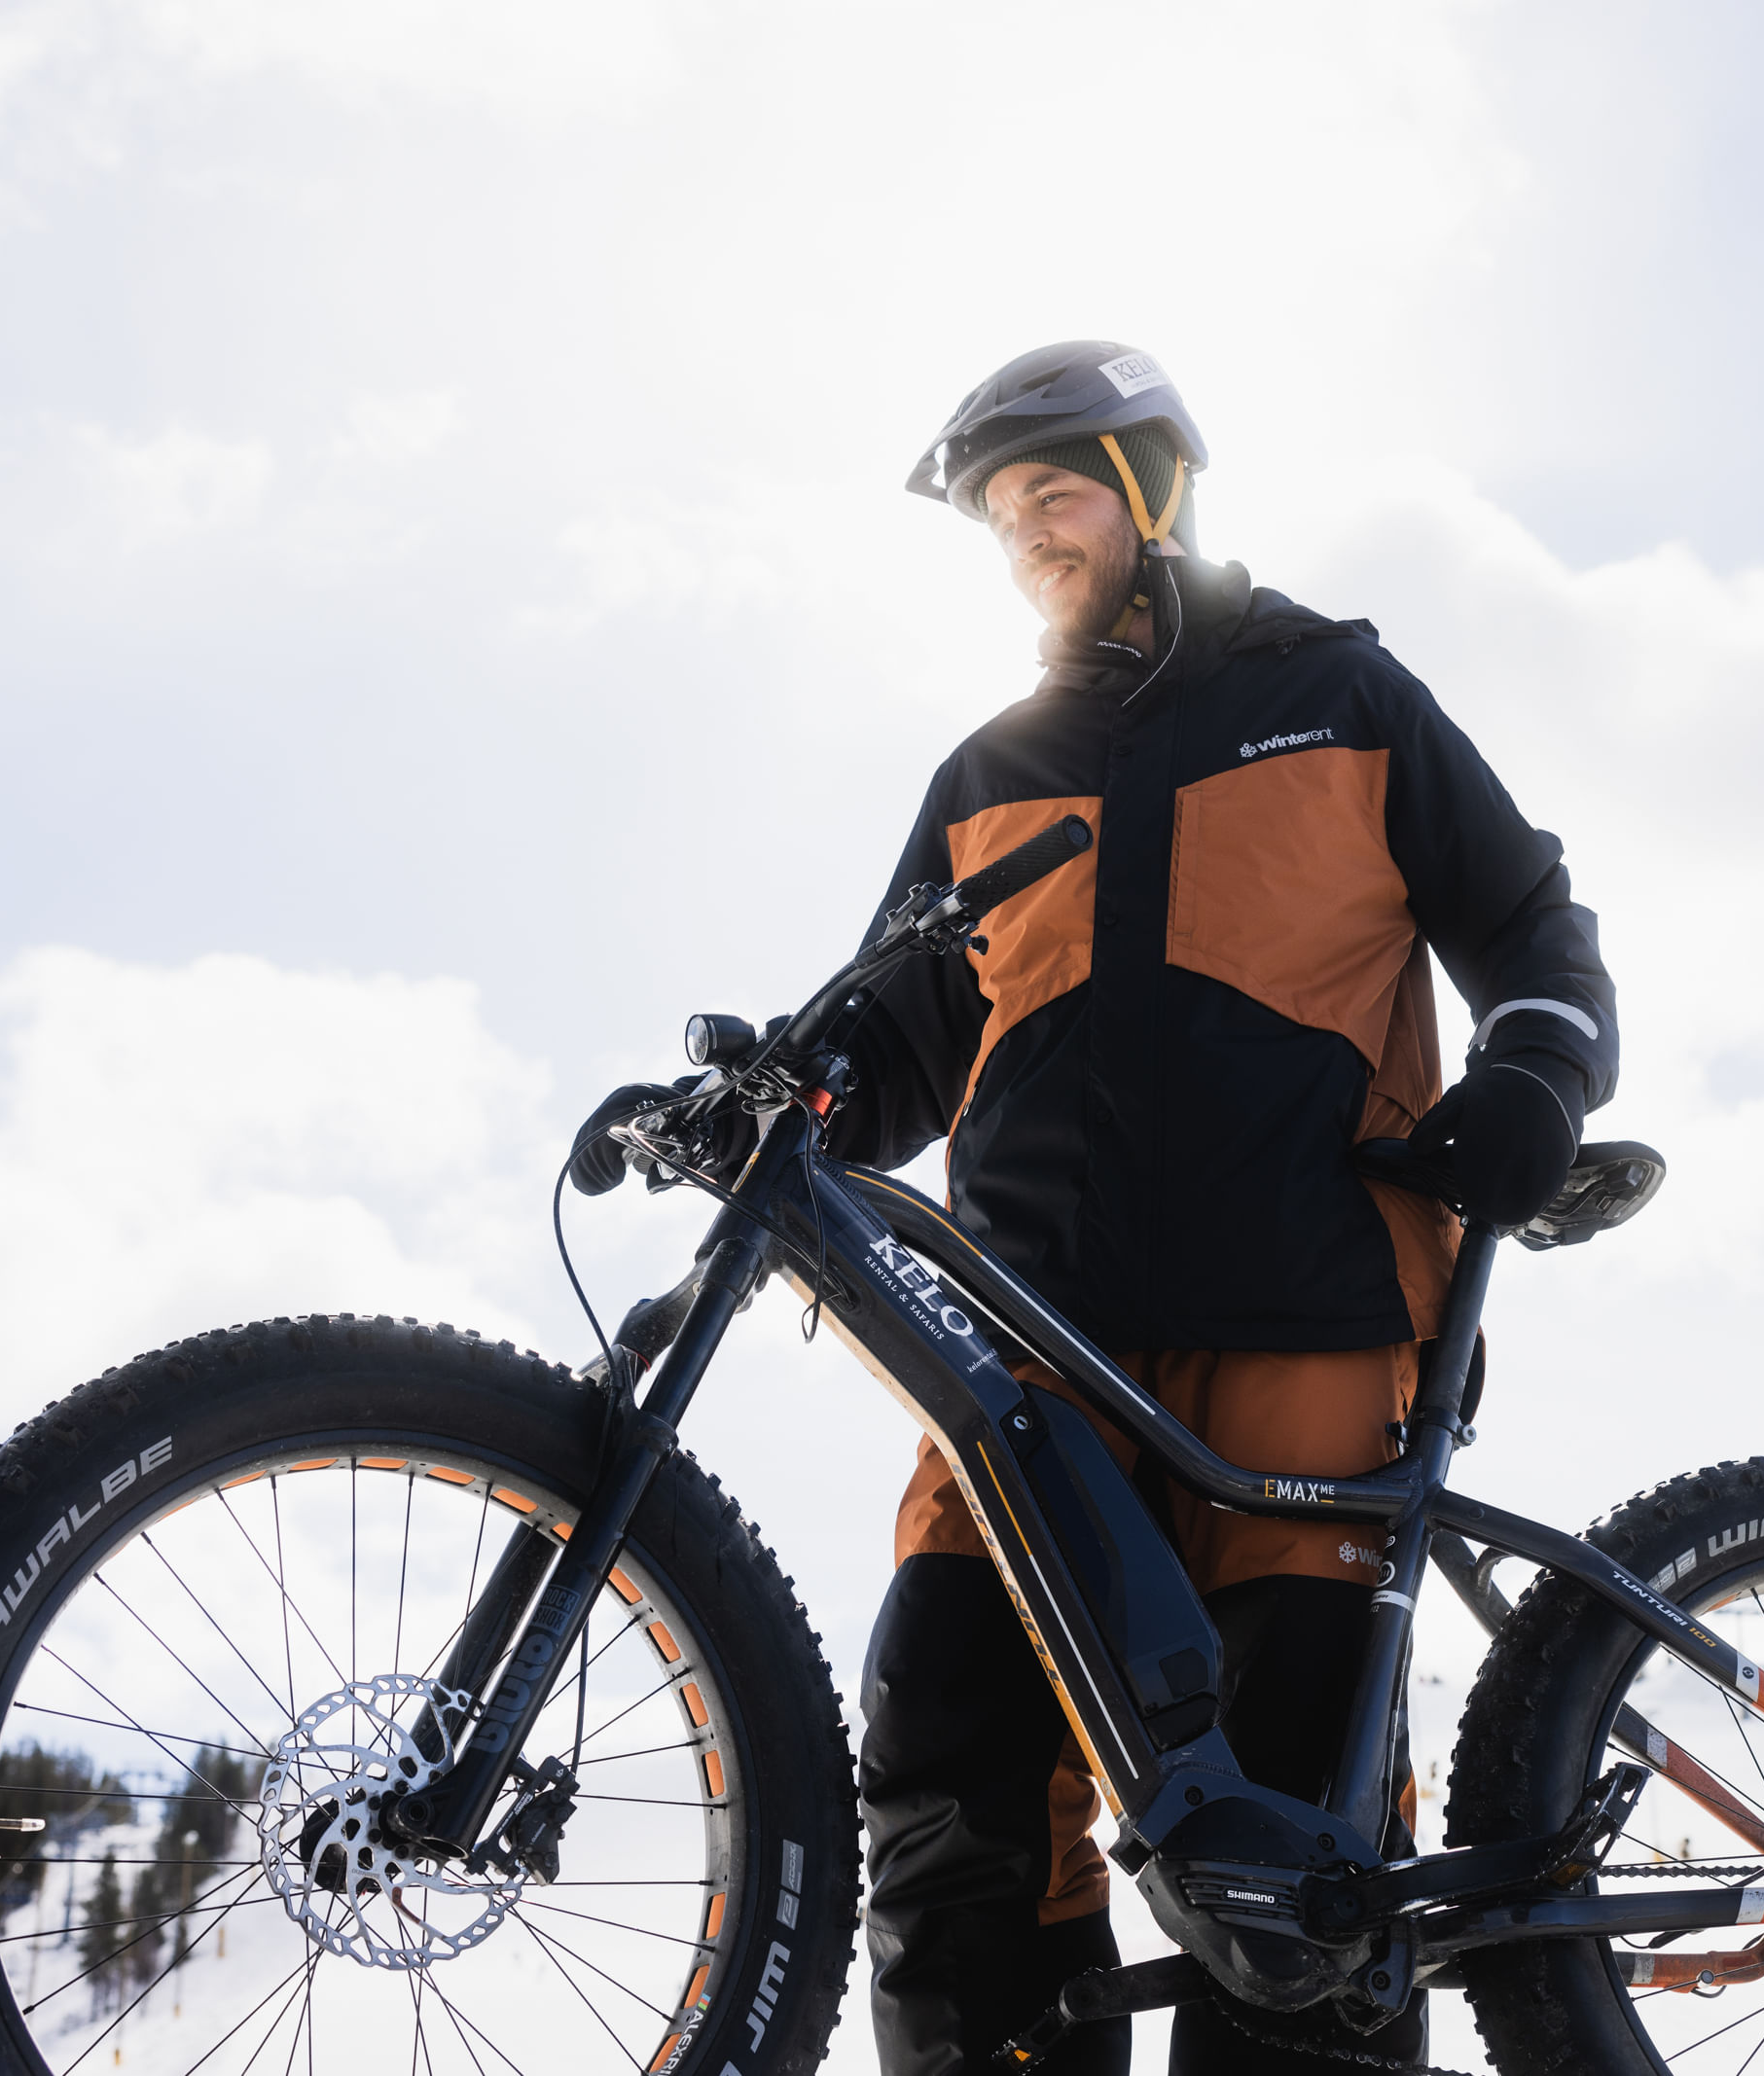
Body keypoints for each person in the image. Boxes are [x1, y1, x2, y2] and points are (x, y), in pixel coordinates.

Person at [586, 341, 1618, 2074]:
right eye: (1001, 515)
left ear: (1154, 488)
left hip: (1306, 1323)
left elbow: (1531, 924)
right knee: (950, 1766)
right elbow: (898, 1044)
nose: (1026, 536)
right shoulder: (990, 769)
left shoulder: (1344, 695)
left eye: (1052, 493)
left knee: (1292, 1847)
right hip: (1023, 1361)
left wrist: (1536, 1074)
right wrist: (790, 1084)